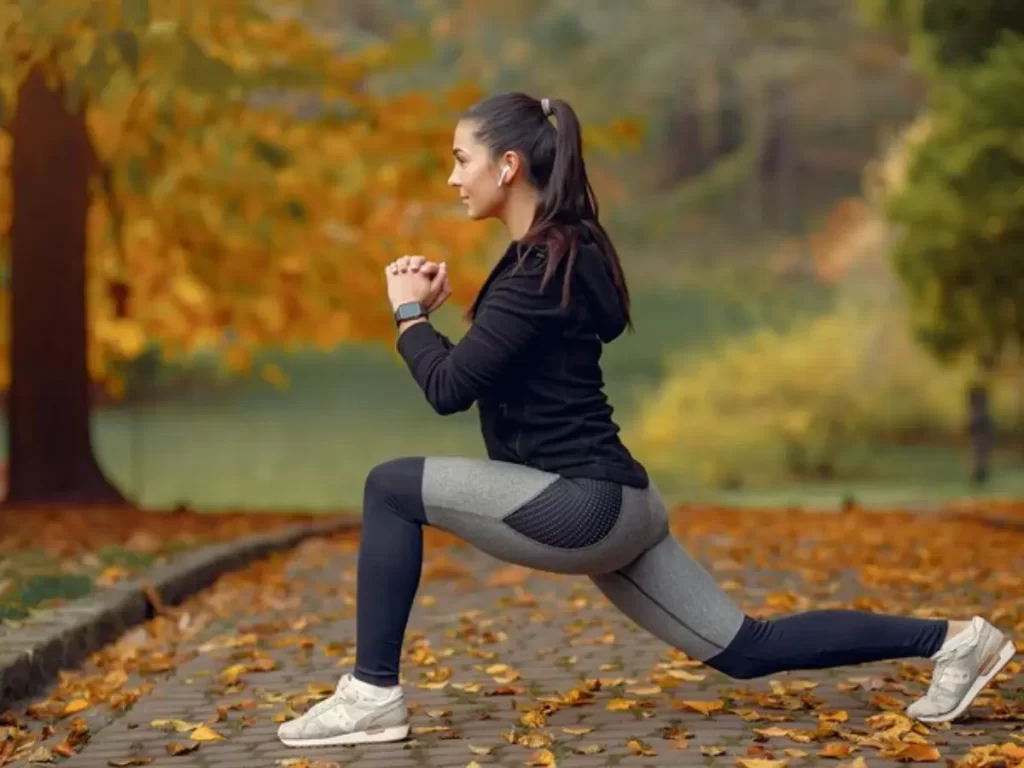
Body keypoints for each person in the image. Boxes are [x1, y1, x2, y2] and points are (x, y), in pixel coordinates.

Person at [277, 92, 1016, 748]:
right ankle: (956, 641)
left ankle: (371, 695)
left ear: (506, 166)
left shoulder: (537, 268)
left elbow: (447, 389)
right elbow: (488, 364)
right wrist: (434, 322)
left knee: (390, 486)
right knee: (745, 649)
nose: (451, 176)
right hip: (623, 503)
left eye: (459, 158)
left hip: (584, 507)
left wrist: (408, 315)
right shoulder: (569, 250)